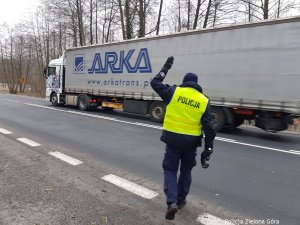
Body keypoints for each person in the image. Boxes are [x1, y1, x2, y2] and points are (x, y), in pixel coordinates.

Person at [150, 56, 216, 220]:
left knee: (170, 170)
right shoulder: (204, 100)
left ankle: (171, 202)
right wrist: (208, 150)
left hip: (172, 141)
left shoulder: (174, 92)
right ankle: (180, 201)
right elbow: (209, 128)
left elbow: (155, 82)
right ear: (197, 84)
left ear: (185, 82)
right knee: (186, 171)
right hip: (191, 144)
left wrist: (167, 67)